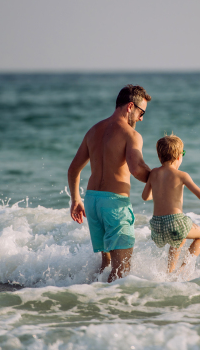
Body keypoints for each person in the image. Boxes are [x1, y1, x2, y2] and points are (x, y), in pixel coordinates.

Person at [68, 85, 152, 282]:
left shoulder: (93, 130)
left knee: (105, 266)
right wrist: (159, 176)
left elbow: (73, 169)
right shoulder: (131, 135)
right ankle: (116, 311)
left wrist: (75, 200)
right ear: (131, 106)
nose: (142, 118)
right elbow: (137, 169)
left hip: (92, 202)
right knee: (122, 271)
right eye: (142, 112)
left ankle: (97, 308)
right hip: (114, 204)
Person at [142, 134, 200, 274]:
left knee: (179, 239)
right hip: (175, 222)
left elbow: (145, 196)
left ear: (160, 156)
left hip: (157, 225)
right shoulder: (182, 175)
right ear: (179, 156)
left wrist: (161, 193)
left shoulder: (153, 173)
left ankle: (170, 272)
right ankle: (183, 271)